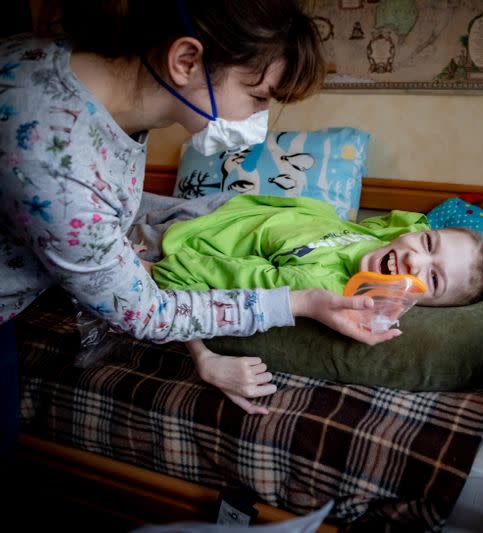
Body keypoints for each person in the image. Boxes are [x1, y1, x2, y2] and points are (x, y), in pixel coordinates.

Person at [0, 0, 394, 458]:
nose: (260, 119)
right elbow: (145, 310)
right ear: (186, 60)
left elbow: (105, 228)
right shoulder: (54, 156)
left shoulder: (87, 83)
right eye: (259, 96)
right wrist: (298, 301)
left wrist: (202, 353)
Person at [145, 193, 483, 403]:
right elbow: (418, 225)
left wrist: (202, 354)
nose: (415, 259)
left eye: (433, 278)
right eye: (428, 244)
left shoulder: (321, 285)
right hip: (228, 202)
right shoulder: (400, 233)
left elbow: (187, 274)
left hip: (179, 235)